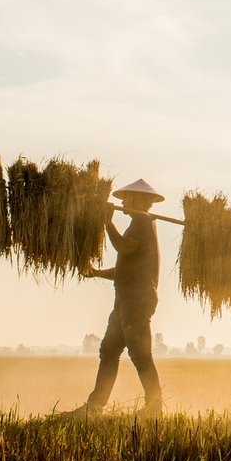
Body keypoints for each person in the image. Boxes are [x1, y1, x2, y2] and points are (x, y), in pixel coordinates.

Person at [72, 177, 165, 417]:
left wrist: (107, 222)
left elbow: (124, 248)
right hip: (124, 302)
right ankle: (94, 406)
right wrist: (96, 273)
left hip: (137, 301)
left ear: (141, 200)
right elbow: (124, 270)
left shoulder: (143, 222)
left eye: (129, 198)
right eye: (124, 198)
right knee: (109, 351)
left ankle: (154, 408)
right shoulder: (139, 224)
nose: (124, 202)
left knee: (140, 354)